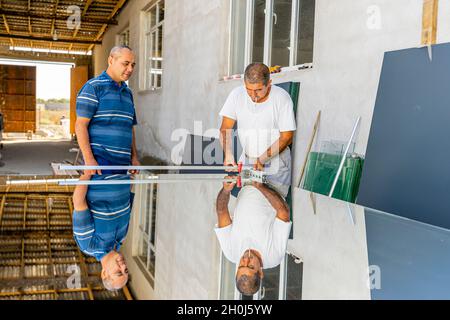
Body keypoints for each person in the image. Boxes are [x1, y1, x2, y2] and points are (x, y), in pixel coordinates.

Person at [219, 63, 297, 197]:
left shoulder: (282, 98)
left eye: (259, 89)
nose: (253, 95)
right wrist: (228, 154)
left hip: (276, 163)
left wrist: (262, 159)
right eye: (249, 89)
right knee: (248, 201)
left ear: (269, 83)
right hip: (248, 161)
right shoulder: (236, 95)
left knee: (275, 207)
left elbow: (287, 136)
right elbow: (225, 128)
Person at [215, 177, 292, 296]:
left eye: (241, 265)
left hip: (246, 179)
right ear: (260, 273)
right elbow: (283, 212)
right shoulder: (274, 256)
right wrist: (260, 186)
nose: (245, 259)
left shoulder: (231, 252)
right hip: (274, 181)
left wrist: (225, 191)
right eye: (251, 266)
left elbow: (221, 212)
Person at [75, 46, 140, 175]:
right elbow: (80, 125)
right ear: (111, 60)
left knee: (122, 195)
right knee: (100, 195)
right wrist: (89, 160)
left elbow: (129, 127)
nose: (130, 69)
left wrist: (134, 157)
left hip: (123, 163)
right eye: (125, 64)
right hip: (100, 163)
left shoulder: (128, 93)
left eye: (133, 65)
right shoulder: (93, 87)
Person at [72, 174, 135, 291]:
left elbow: (78, 201)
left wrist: (87, 171)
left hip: (100, 171)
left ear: (104, 273)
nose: (123, 266)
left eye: (119, 272)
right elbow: (126, 199)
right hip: (122, 168)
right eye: (125, 270)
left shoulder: (89, 245)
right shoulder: (121, 238)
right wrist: (131, 175)